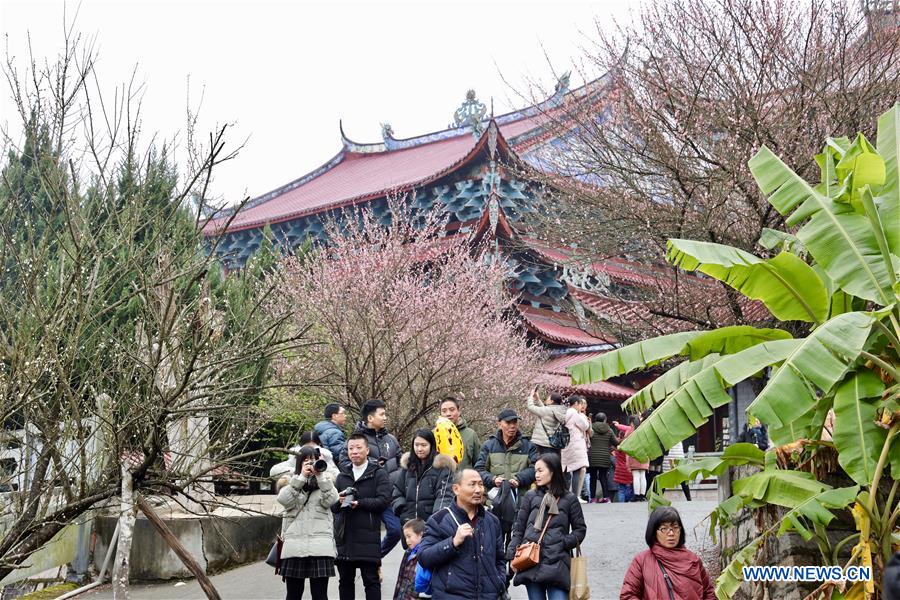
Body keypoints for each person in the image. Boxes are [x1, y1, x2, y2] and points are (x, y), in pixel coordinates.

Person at [506, 453, 587, 600]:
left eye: (540, 470)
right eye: (535, 471)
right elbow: (519, 528)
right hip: (530, 560)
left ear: (553, 471)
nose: (536, 475)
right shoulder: (530, 496)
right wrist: (512, 554)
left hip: (557, 563)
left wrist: (562, 542)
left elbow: (580, 530)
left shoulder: (569, 499)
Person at [418, 468, 507, 600]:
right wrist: (452, 543)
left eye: (481, 484)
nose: (478, 490)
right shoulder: (439, 520)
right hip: (451, 595)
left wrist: (499, 582)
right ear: (456, 489)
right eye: (472, 484)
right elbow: (424, 558)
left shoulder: (492, 521)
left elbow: (500, 559)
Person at [339, 399, 403, 557]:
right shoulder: (355, 440)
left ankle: (375, 558)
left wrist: (395, 481)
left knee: (395, 531)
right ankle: (366, 561)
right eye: (382, 414)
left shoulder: (391, 440)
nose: (385, 417)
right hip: (363, 495)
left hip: (387, 496)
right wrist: (372, 465)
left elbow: (402, 464)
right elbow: (344, 462)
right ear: (370, 418)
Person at [332, 433, 392, 600]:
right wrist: (339, 500)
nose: (354, 452)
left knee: (371, 581)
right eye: (351, 448)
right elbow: (333, 507)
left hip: (368, 536)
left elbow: (384, 500)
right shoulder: (342, 476)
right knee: (345, 581)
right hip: (345, 537)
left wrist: (360, 503)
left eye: (358, 448)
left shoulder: (378, 473)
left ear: (367, 450)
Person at [276, 446, 340, 600]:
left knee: (320, 595)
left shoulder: (326, 482)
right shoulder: (289, 482)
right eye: (306, 461)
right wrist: (300, 478)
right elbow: (284, 500)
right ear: (299, 464)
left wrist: (321, 476)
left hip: (320, 547)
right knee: (293, 595)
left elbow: (332, 500)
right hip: (294, 547)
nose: (310, 464)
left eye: (313, 461)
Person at [620, 506, 715, 599]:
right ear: (654, 532)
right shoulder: (641, 561)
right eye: (664, 529)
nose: (671, 533)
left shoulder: (693, 560)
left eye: (675, 527)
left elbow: (709, 593)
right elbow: (628, 595)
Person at [392, 428, 456, 525]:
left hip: (431, 524)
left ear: (432, 445)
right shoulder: (408, 466)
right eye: (416, 445)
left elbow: (444, 496)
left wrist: (436, 520)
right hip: (408, 523)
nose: (419, 449)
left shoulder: (442, 467)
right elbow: (397, 490)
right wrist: (402, 509)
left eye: (424, 445)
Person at [475, 408, 539, 501]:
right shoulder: (489, 445)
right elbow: (479, 470)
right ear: (499, 424)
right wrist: (493, 479)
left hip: (521, 499)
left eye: (515, 422)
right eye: (508, 423)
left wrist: (519, 479)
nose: (512, 426)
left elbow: (535, 468)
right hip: (494, 499)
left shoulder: (528, 446)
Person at [269, 430, 339, 480]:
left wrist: (323, 465)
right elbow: (274, 472)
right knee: (285, 479)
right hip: (298, 493)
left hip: (320, 493)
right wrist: (299, 470)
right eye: (306, 448)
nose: (310, 451)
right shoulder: (296, 458)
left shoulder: (325, 457)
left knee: (329, 477)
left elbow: (338, 476)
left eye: (314, 448)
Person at [439, 396, 481, 470]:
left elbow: (479, 464)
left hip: (465, 479)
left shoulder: (470, 434)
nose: (448, 414)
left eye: (452, 410)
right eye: (444, 411)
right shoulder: (434, 434)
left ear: (459, 411)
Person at [561, 396, 590, 503]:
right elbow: (585, 426)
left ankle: (566, 495)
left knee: (567, 470)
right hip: (576, 445)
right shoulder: (574, 413)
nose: (581, 406)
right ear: (576, 403)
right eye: (580, 404)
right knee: (577, 469)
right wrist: (582, 416)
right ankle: (575, 496)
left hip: (567, 445)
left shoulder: (565, 413)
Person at [525, 389, 568, 457]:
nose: (546, 399)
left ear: (551, 401)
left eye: (548, 398)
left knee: (539, 463)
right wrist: (538, 399)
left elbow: (531, 407)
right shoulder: (559, 410)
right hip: (552, 444)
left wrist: (531, 396)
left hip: (541, 443)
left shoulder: (547, 410)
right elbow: (545, 410)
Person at [393, 519, 428, 600]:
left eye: (409, 536)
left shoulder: (426, 555)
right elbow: (400, 579)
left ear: (421, 535)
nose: (407, 540)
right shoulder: (408, 552)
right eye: (405, 537)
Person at [587, 412, 618, 503]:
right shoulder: (609, 430)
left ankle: (592, 498)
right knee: (603, 477)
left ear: (596, 419)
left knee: (592, 478)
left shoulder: (590, 428)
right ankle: (606, 498)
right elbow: (616, 442)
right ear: (605, 420)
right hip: (605, 457)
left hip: (592, 457)